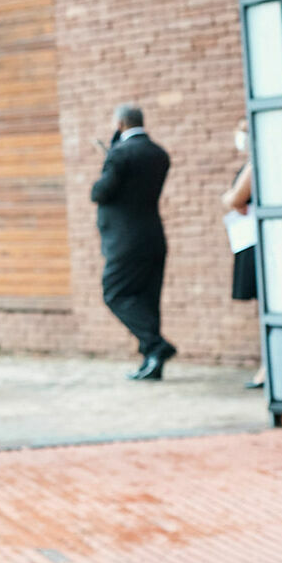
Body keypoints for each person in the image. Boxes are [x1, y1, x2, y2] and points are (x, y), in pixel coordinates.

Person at [92, 103, 175, 381]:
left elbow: (101, 192)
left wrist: (109, 157)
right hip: (153, 236)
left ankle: (156, 346)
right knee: (147, 299)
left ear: (120, 124)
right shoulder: (159, 153)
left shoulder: (119, 155)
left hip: (125, 242)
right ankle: (152, 361)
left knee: (114, 293)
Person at [223, 117, 262, 390]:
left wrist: (228, 197)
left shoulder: (257, 162)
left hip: (257, 241)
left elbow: (236, 199)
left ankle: (267, 368)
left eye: (244, 130)